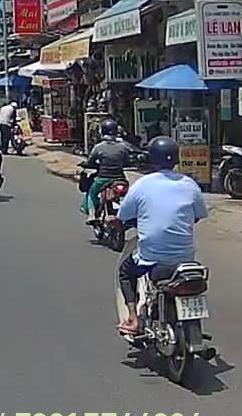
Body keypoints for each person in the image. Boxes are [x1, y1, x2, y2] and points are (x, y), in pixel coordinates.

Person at [113, 136, 208, 335]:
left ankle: (133, 319)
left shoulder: (142, 185)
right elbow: (199, 215)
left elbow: (123, 215)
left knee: (125, 272)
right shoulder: (190, 185)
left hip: (152, 259)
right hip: (186, 259)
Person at [80, 119, 135, 224]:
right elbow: (127, 162)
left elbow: (90, 161)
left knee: (91, 194)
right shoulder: (122, 147)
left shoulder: (98, 147)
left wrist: (86, 164)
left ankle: (91, 215)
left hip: (102, 178)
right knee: (126, 196)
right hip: (120, 179)